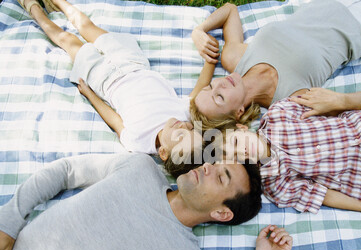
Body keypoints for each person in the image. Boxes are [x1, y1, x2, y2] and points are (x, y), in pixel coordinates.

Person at [0, 152, 292, 250]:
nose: (208, 166)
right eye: (216, 163)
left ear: (221, 213)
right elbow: (67, 170)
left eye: (221, 177)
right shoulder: (140, 167)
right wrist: (8, 221)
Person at [18, 0, 216, 177]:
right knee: (86, 25)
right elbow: (201, 86)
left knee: (66, 40)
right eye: (191, 129)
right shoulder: (183, 113)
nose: (184, 126)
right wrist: (211, 59)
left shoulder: (138, 142)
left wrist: (89, 94)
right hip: (132, 60)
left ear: (163, 152)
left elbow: (114, 120)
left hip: (103, 79)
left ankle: (34, 9)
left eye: (181, 135)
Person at [213, 87, 361, 223]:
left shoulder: (277, 113)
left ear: (242, 128)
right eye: (237, 158)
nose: (242, 151)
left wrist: (352, 101)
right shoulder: (275, 183)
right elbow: (324, 195)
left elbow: (325, 105)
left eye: (235, 142)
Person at [190, 0, 361, 130]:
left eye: (211, 87)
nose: (219, 85)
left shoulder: (234, 58)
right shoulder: (292, 101)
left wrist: (199, 30)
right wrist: (341, 101)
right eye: (219, 98)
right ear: (239, 113)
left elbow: (230, 10)